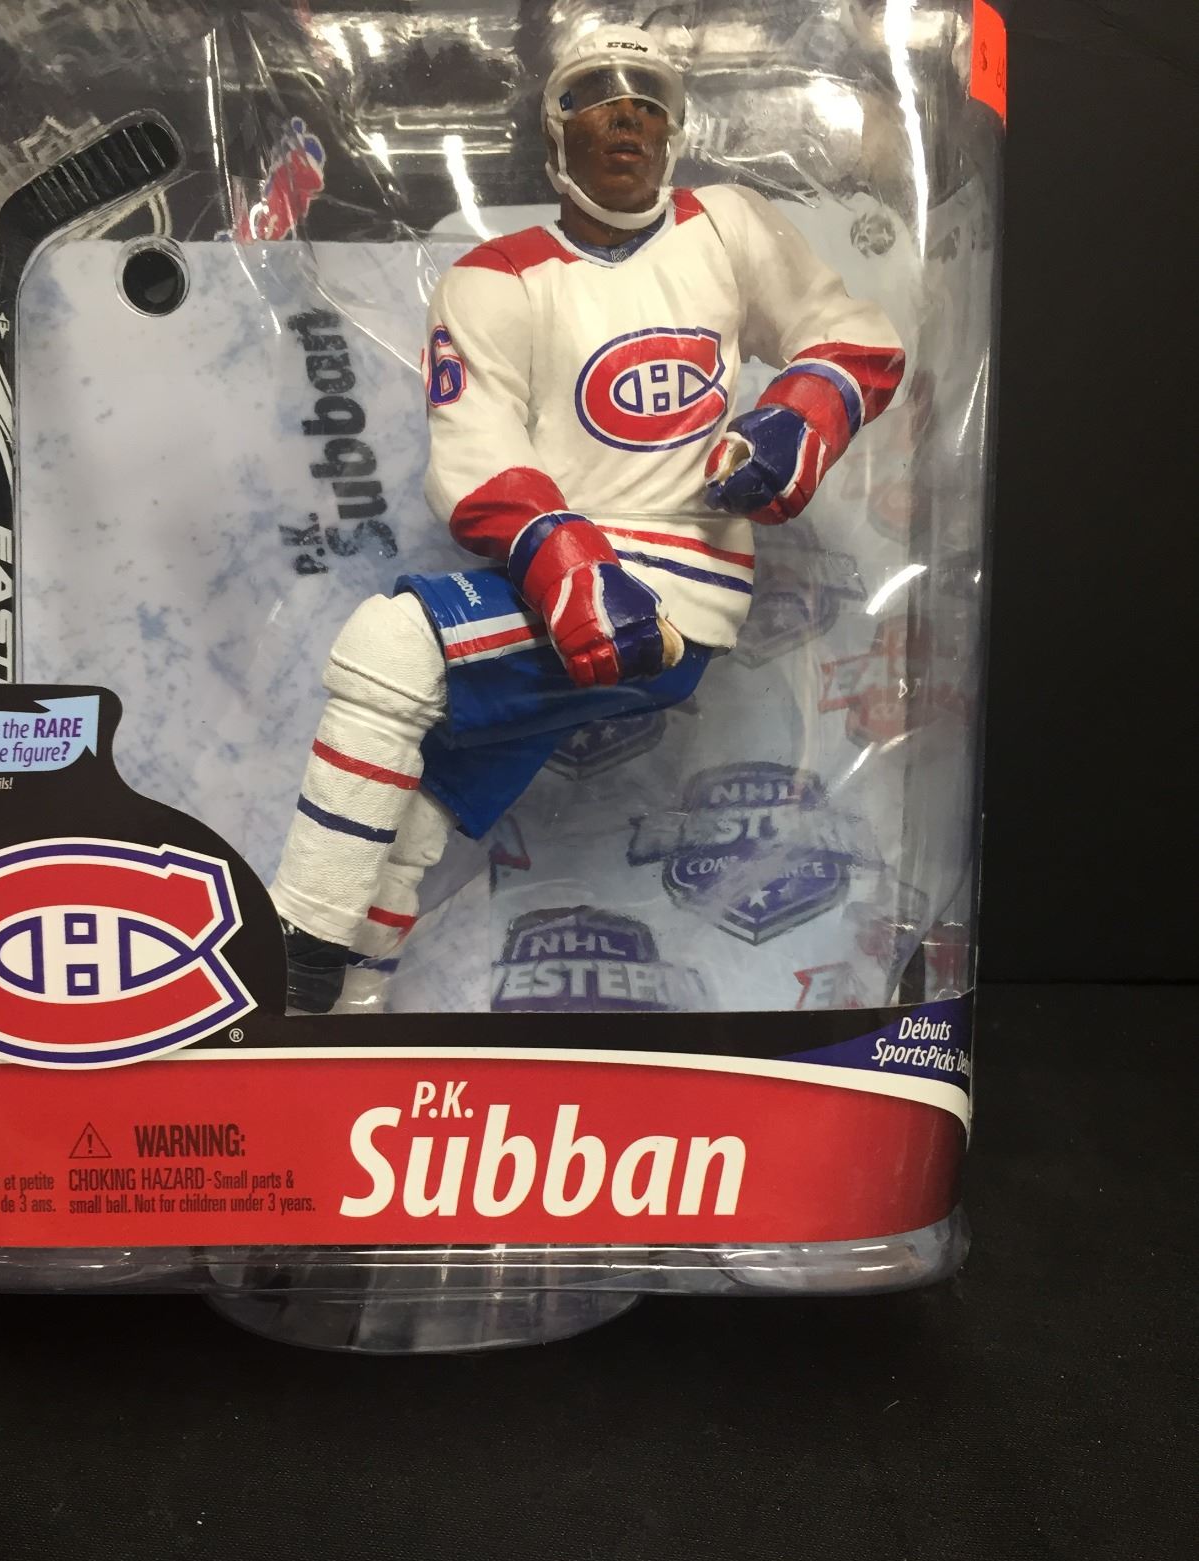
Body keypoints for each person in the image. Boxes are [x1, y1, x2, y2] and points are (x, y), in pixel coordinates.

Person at [270, 23, 905, 1012]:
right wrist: (566, 562)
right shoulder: (497, 276)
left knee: (391, 644)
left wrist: (799, 418)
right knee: (422, 791)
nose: (629, 119)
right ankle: (343, 1007)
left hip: (681, 593)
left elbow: (856, 336)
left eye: (649, 102)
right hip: (576, 577)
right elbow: (475, 451)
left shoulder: (725, 226)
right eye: (600, 99)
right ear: (555, 128)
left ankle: (289, 945)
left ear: (674, 130)